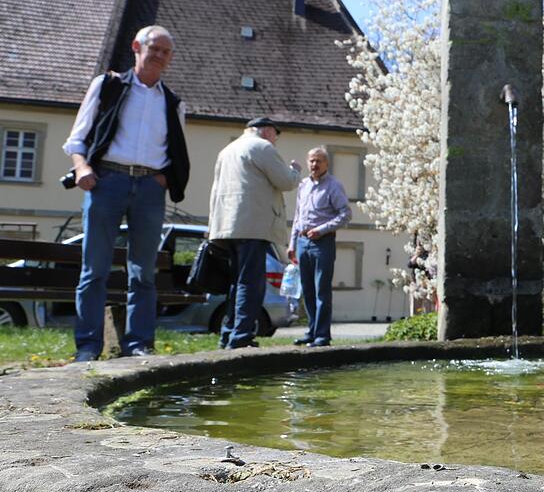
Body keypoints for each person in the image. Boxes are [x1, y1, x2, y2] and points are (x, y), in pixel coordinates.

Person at [62, 25, 190, 362]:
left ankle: (138, 346)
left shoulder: (173, 103)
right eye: (154, 48)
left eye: (166, 51)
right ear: (137, 47)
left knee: (143, 272)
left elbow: (176, 149)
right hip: (108, 182)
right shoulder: (108, 86)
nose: (160, 55)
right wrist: (82, 167)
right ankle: (88, 348)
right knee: (95, 269)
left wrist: (162, 179)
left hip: (150, 187)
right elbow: (78, 138)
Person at [208, 118, 300, 349]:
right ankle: (241, 337)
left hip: (228, 225)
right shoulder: (261, 147)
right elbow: (286, 181)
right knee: (251, 283)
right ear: (268, 131)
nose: (275, 141)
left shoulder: (227, 150)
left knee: (237, 282)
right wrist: (295, 170)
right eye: (275, 136)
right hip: (252, 224)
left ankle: (228, 334)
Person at [288, 147, 352, 346]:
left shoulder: (334, 186)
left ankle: (322, 335)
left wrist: (322, 230)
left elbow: (345, 214)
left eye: (319, 161)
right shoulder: (304, 185)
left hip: (322, 242)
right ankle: (312, 331)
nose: (314, 165)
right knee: (307, 289)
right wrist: (292, 244)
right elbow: (298, 216)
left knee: (321, 290)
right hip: (302, 242)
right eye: (311, 161)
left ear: (327, 164)